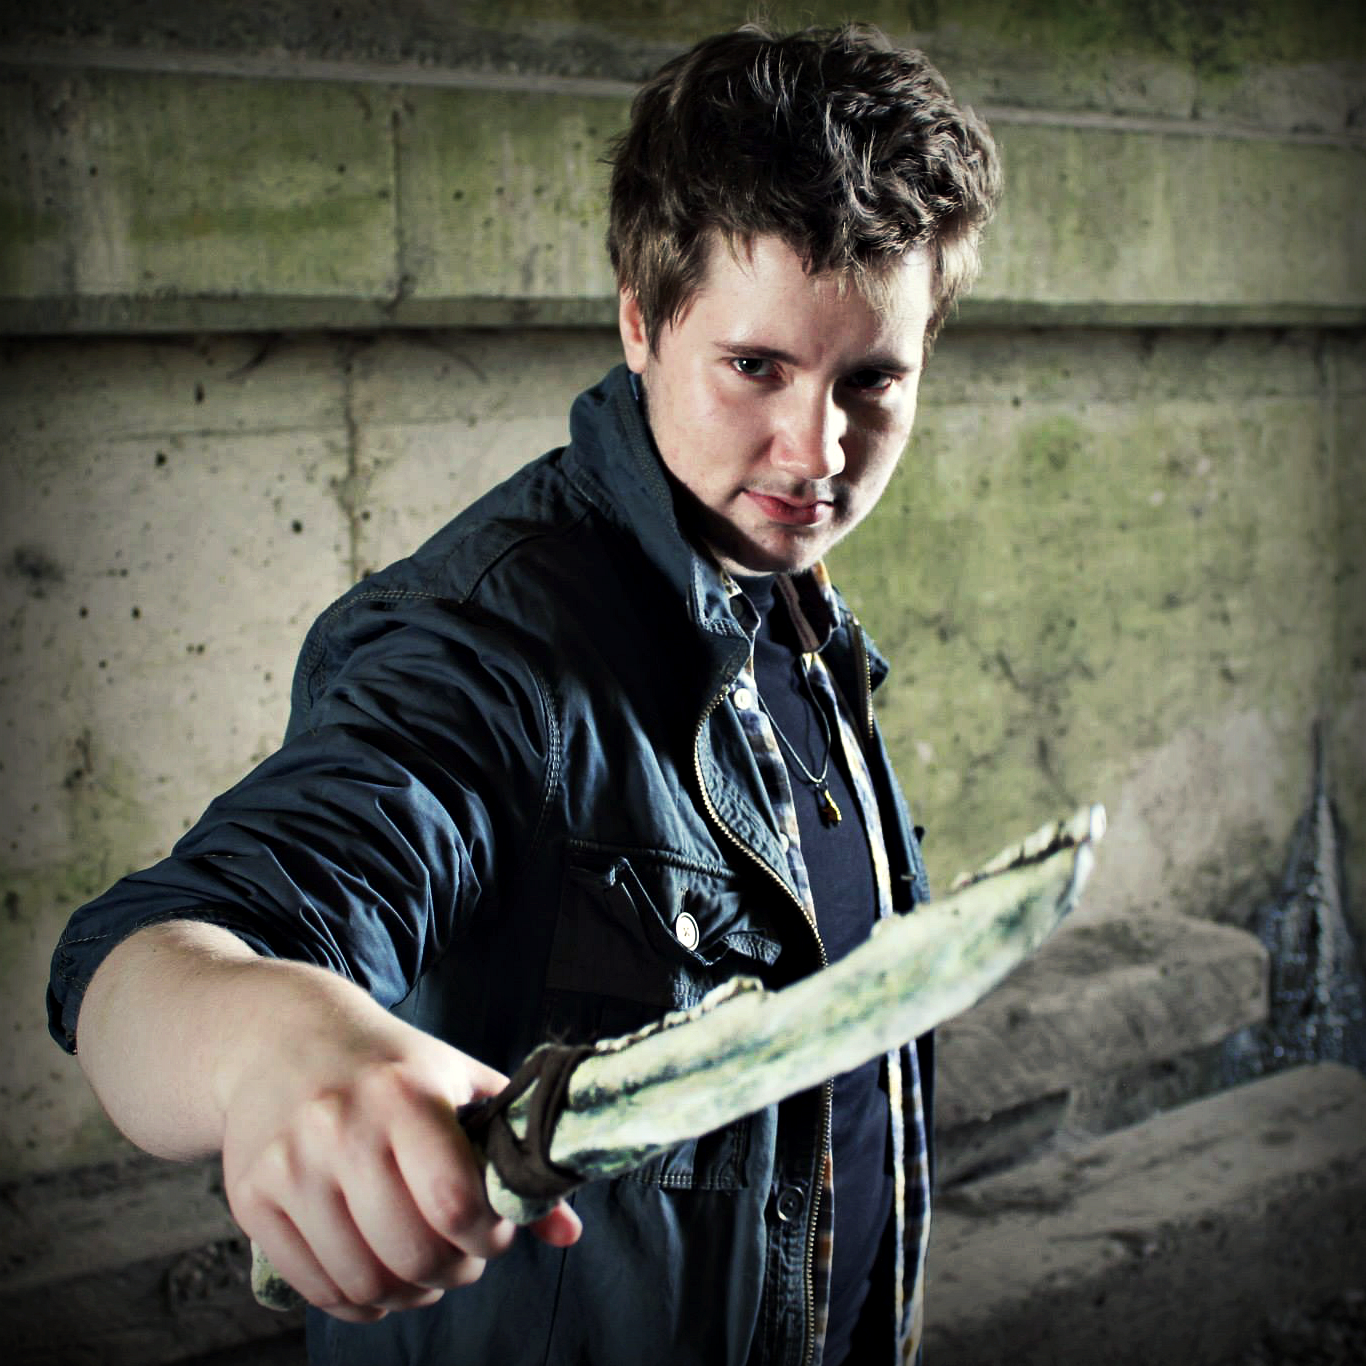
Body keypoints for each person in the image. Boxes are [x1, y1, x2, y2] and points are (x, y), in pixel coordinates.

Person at [46, 23, 1000, 1366]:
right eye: (756, 367)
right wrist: (274, 1043)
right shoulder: (486, 646)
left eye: (872, 381)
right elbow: (148, 955)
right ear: (640, 322)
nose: (818, 449)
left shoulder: (797, 613)